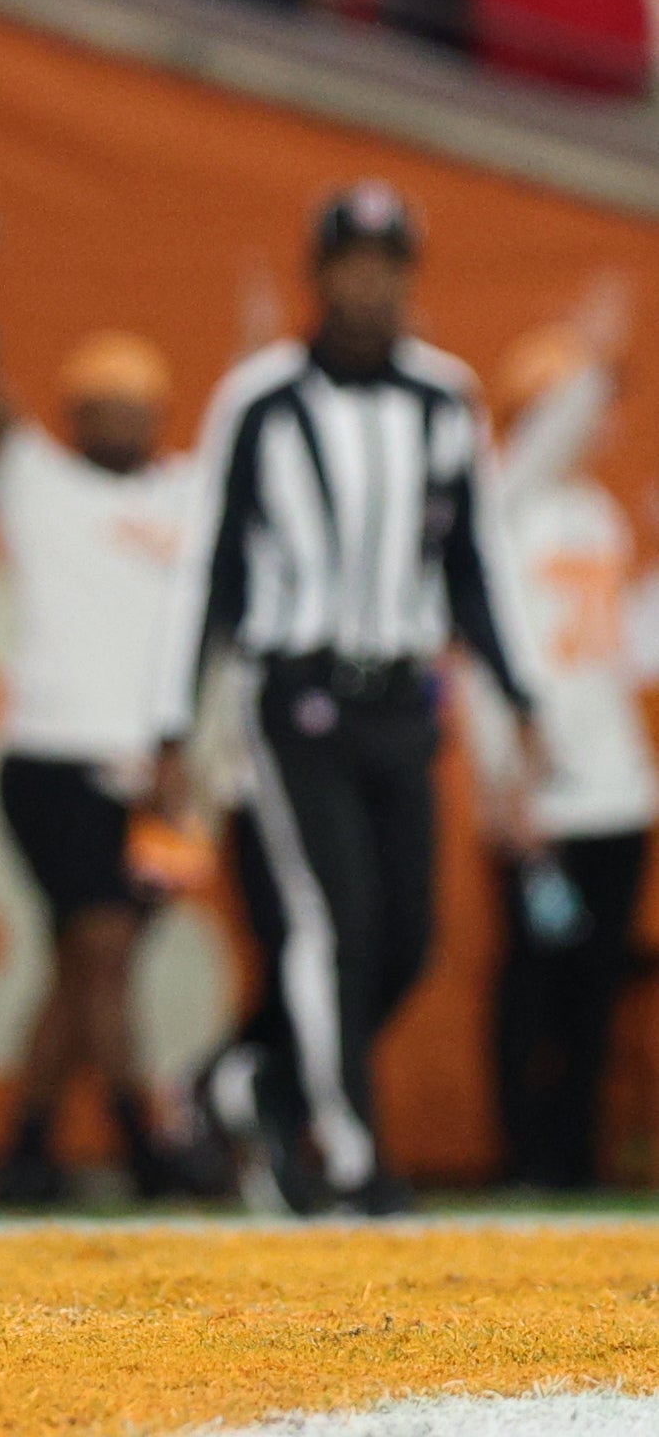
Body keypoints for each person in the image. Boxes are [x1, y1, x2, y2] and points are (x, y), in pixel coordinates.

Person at [151, 182, 542, 1216]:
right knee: (334, 923)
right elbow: (212, 568)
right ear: (318, 276)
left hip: (402, 699)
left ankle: (243, 1080)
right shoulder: (263, 400)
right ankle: (351, 1151)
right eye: (353, 264)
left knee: (407, 939)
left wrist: (522, 692)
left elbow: (476, 559)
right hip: (297, 697)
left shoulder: (442, 398)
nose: (371, 284)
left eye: (389, 265)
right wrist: (171, 717)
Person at [0, 207, 209, 1206]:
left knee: (90, 969)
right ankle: (146, 1139)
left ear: (161, 412)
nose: (116, 418)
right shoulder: (36, 484)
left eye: (132, 403)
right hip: (49, 761)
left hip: (166, 779)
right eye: (97, 403)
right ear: (72, 411)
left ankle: (27, 1146)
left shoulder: (195, 494)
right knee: (99, 950)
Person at [462, 298, 657, 1190]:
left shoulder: (597, 517)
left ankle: (575, 1154)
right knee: (530, 979)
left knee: (593, 981)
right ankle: (523, 1156)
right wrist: (498, 782)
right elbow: (477, 662)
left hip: (615, 784)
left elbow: (628, 649)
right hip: (537, 791)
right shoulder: (498, 508)